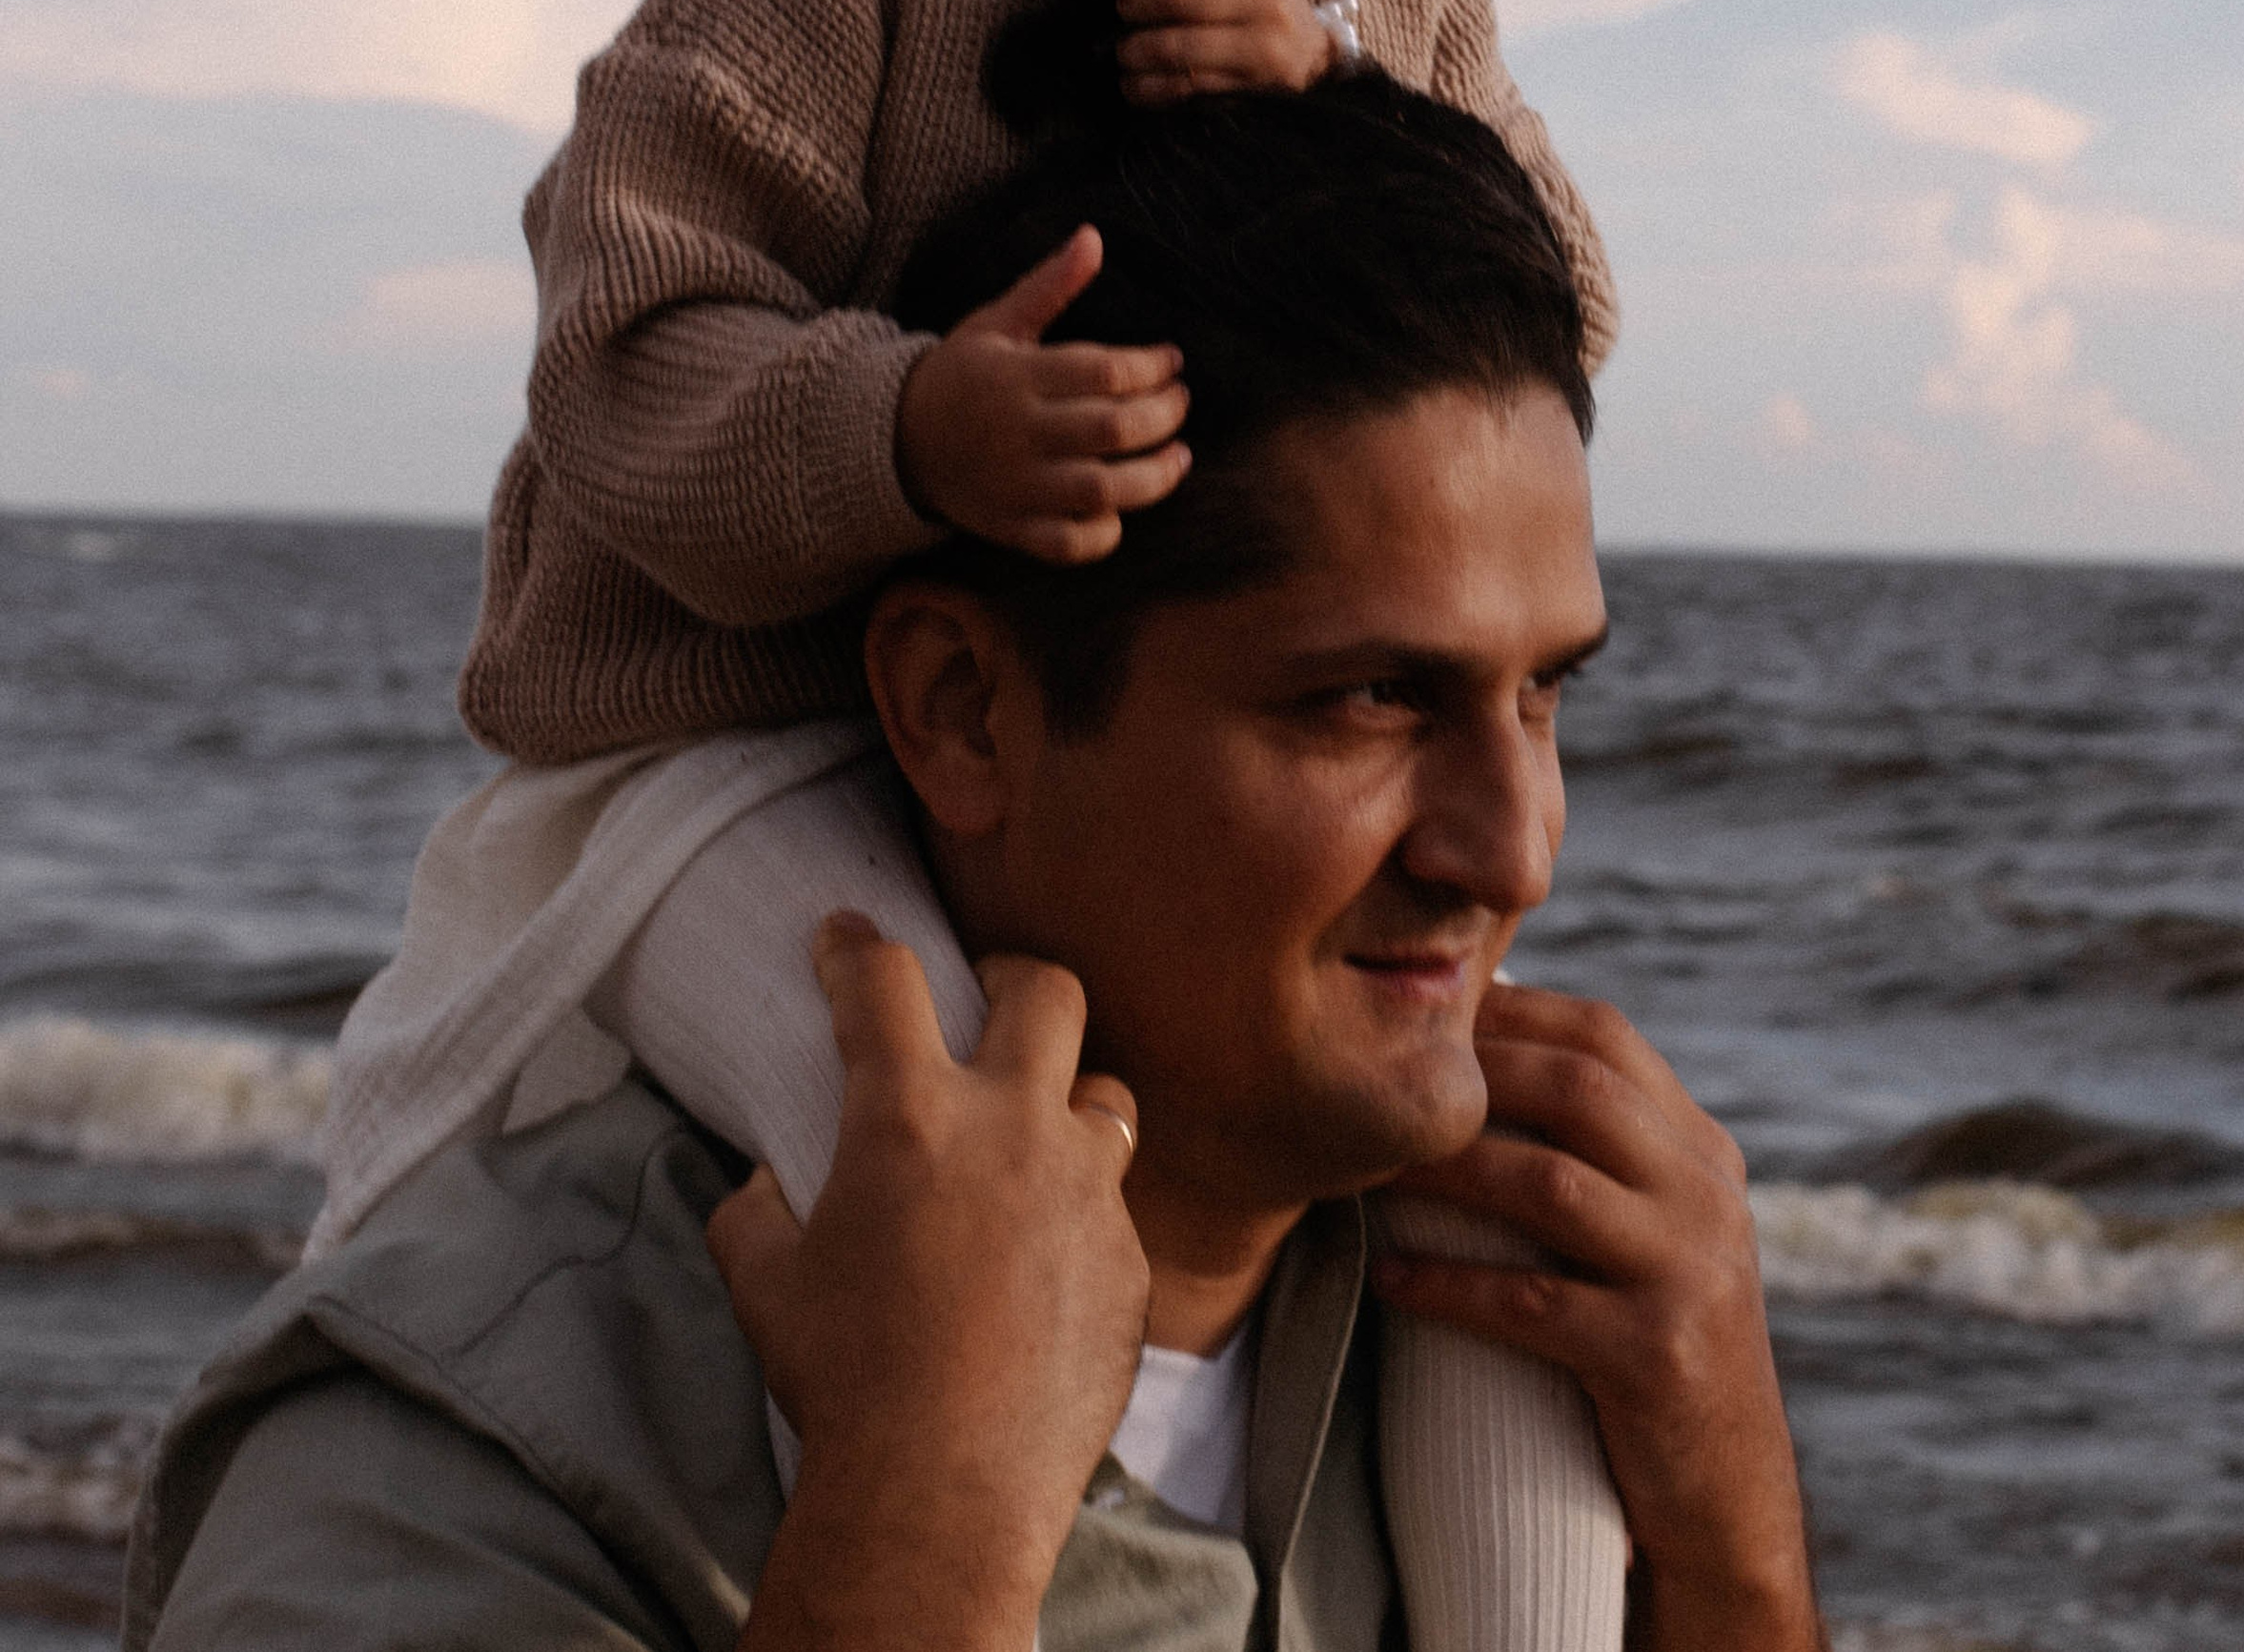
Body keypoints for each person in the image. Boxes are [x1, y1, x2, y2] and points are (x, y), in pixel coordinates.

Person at [310, 0, 1629, 1644]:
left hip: (1097, 790)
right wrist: (910, 427)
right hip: (742, 760)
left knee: (1503, 1200)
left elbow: (1546, 323)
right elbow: (619, 352)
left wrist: (1352, 93)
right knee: (969, 1180)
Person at [129, 84, 1823, 1652]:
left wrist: (1735, 1557)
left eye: (1544, 696)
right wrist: (924, 1513)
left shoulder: (1534, 1375)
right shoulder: (468, 1441)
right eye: (1372, 699)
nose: (1513, 847)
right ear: (962, 711)